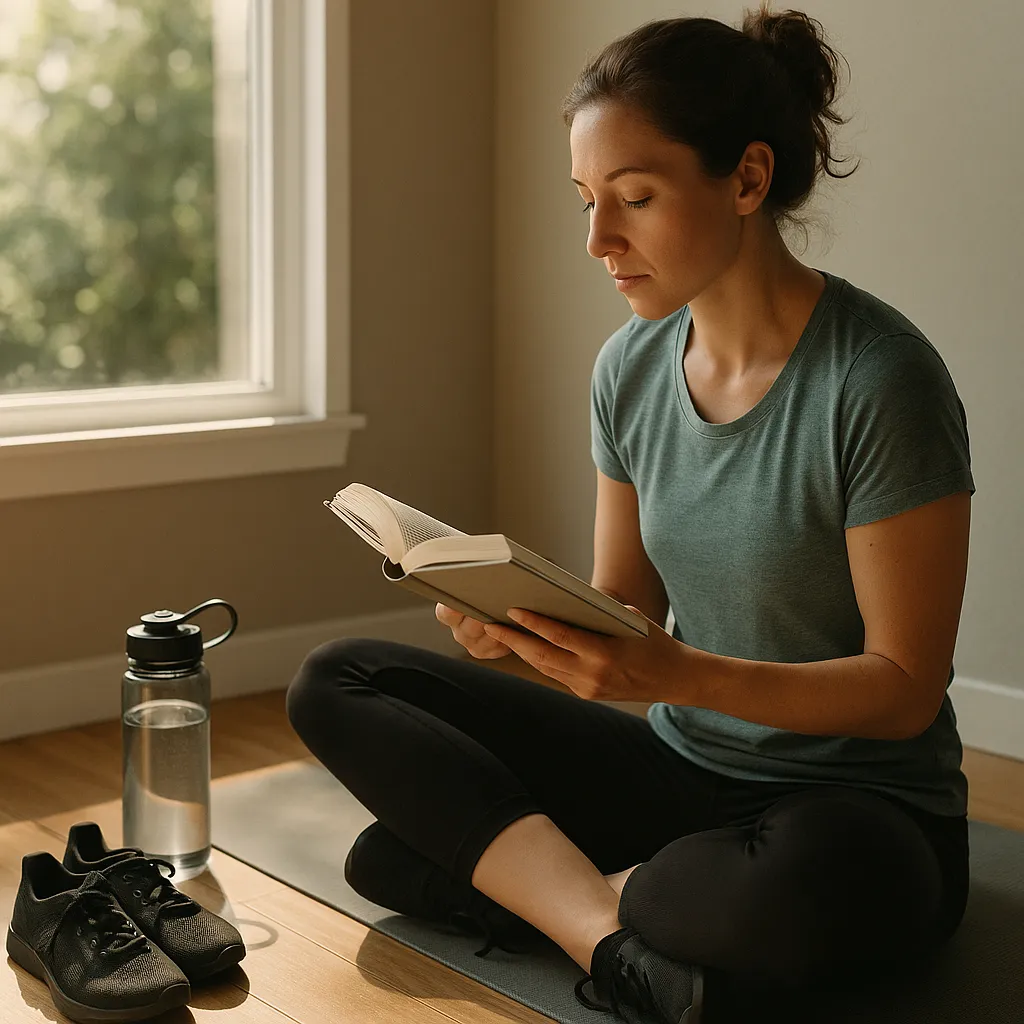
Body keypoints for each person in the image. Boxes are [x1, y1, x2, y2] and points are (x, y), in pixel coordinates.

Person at [286, 5, 975, 1022]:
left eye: (635, 198)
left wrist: (676, 674)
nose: (598, 239)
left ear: (744, 179)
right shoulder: (629, 368)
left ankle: (563, 890)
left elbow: (903, 690)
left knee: (768, 888)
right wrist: (510, 625)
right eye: (585, 201)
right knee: (336, 680)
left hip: (856, 812)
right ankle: (615, 936)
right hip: (680, 766)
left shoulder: (879, 379)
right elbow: (622, 606)